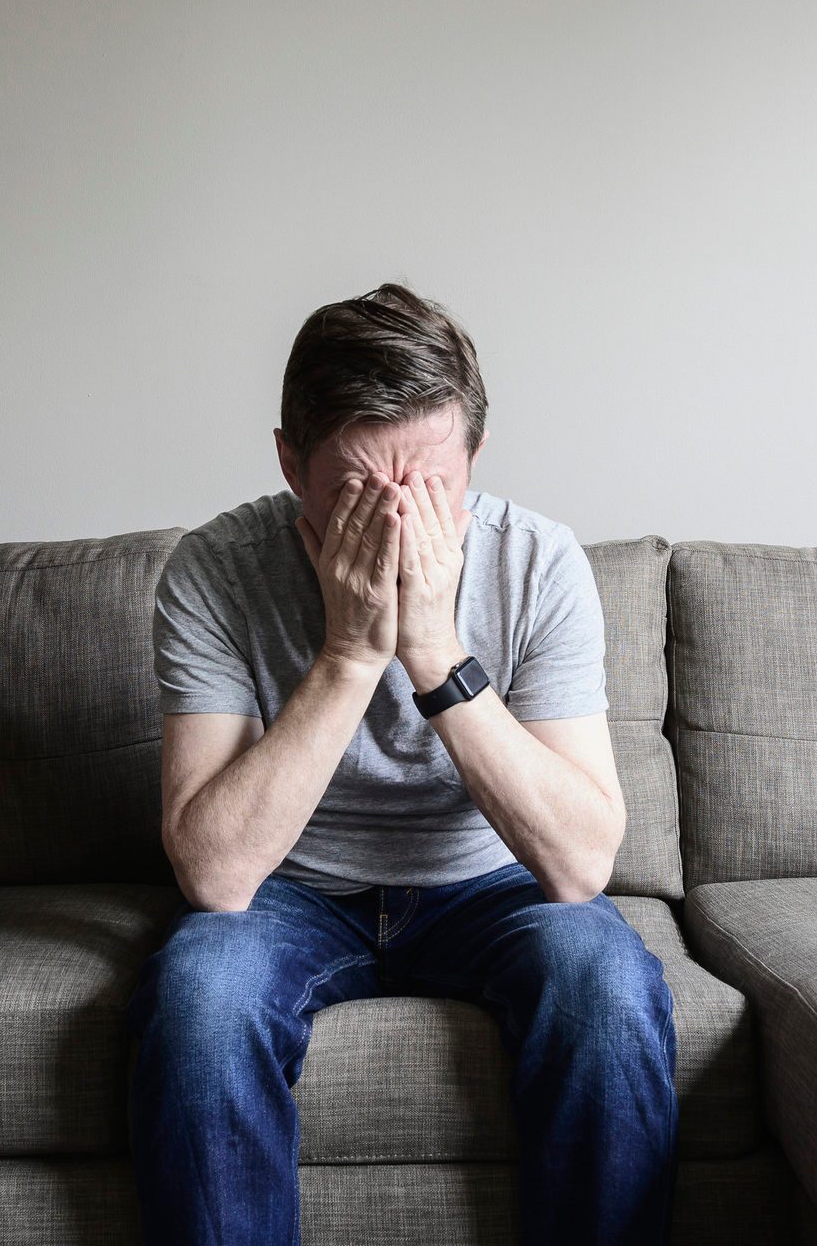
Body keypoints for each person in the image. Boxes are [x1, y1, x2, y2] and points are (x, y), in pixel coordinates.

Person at [124, 282, 678, 1245]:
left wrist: (435, 653)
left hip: (488, 884)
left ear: (475, 455)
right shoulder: (215, 570)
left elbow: (581, 866)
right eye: (354, 493)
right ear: (290, 462)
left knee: (608, 985)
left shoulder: (539, 563)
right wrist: (348, 656)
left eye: (432, 489)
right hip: (291, 891)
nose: (396, 523)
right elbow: (214, 875)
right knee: (198, 1000)